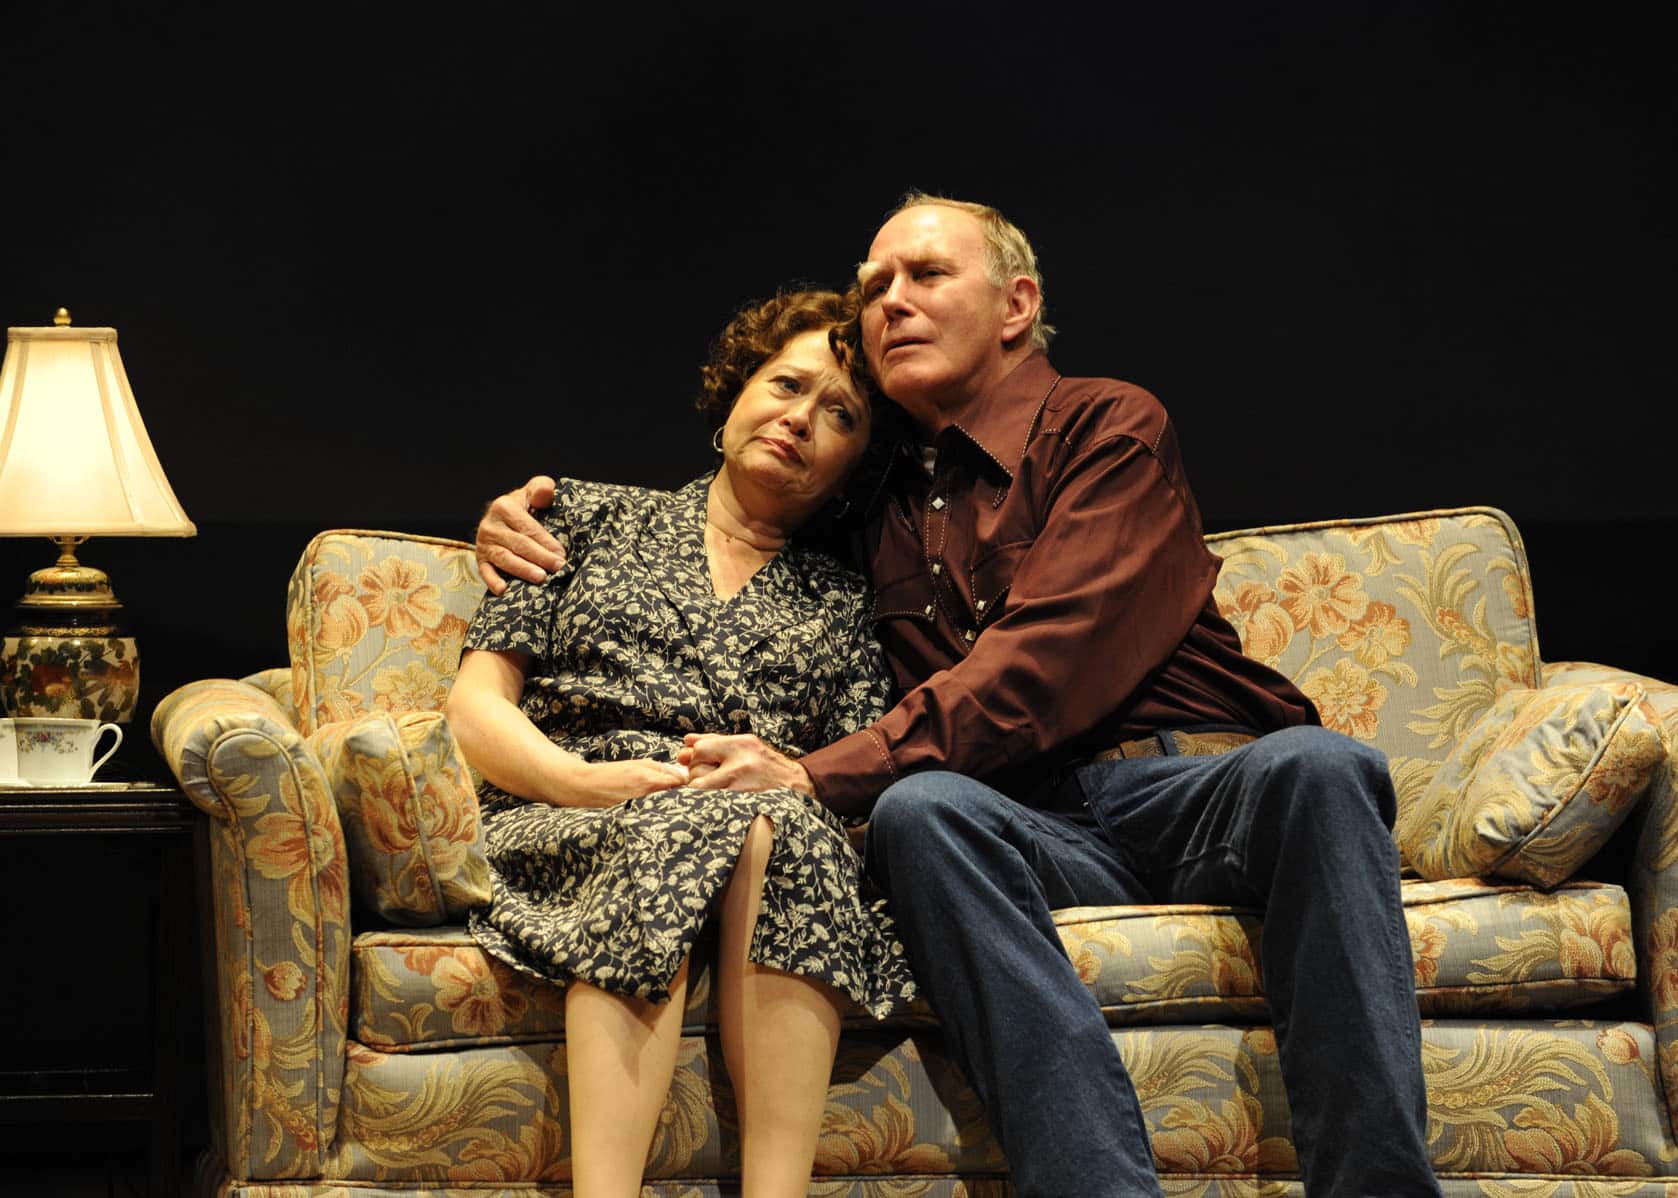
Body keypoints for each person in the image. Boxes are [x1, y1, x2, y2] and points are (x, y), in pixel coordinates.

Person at [476, 196, 1441, 1197]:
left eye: (924, 276)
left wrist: (813, 773)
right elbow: (734, 519)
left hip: (1194, 786)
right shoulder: (871, 496)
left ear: (1015, 304)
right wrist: (534, 525)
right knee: (920, 811)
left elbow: (1043, 665)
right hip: (1021, 814)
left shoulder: (1107, 424)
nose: (889, 301)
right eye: (874, 285)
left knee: (1324, 767)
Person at [446, 287, 916, 1198]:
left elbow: (854, 777)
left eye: (840, 415)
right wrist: (581, 782)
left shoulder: (846, 601)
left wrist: (774, 796)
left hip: (765, 839)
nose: (799, 420)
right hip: (566, 817)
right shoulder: (583, 519)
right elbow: (477, 707)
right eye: (785, 385)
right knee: (683, 820)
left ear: (857, 461)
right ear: (738, 388)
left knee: (789, 832)